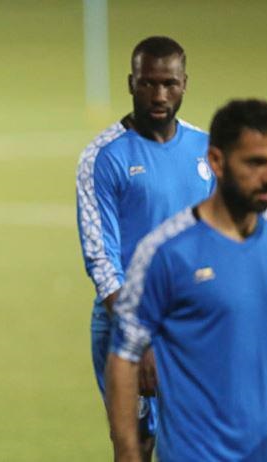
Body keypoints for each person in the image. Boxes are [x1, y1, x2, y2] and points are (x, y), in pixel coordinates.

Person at [107, 98, 267, 461]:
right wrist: (129, 454)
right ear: (216, 161)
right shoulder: (165, 252)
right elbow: (123, 357)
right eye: (255, 162)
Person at [75, 36, 214, 458]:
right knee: (135, 445)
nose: (159, 95)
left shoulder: (207, 150)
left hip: (192, 322)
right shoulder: (103, 157)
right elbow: (102, 261)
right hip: (126, 325)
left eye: (169, 83)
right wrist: (142, 339)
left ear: (185, 83)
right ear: (131, 83)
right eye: (148, 83)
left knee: (199, 443)